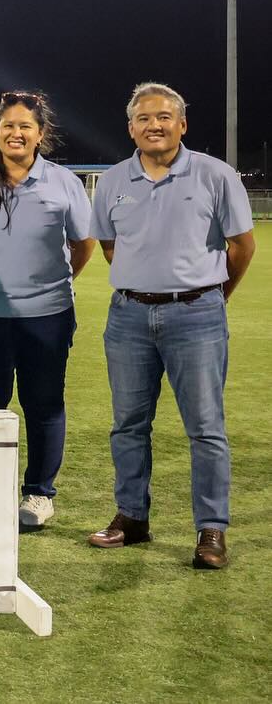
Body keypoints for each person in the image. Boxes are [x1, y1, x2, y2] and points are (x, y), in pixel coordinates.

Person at [87, 82, 255, 570]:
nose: (153, 125)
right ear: (130, 127)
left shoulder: (215, 175)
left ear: (182, 124)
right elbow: (110, 245)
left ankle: (211, 529)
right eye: (143, 118)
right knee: (128, 425)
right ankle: (133, 518)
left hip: (197, 314)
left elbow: (241, 246)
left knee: (205, 428)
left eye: (164, 117)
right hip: (129, 315)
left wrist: (209, 294)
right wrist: (147, 283)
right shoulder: (114, 180)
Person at [0, 91, 94, 529]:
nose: (16, 133)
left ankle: (38, 493)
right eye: (8, 125)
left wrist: (49, 283)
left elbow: (83, 244)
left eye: (25, 126)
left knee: (44, 404)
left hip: (48, 315)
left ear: (40, 134)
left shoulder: (64, 182)